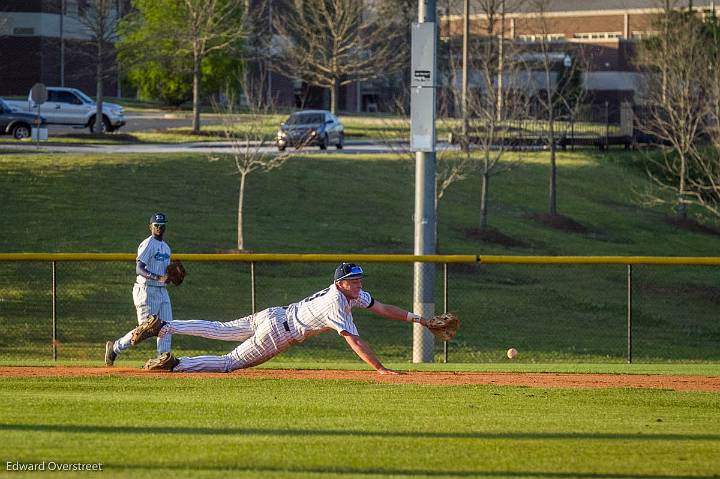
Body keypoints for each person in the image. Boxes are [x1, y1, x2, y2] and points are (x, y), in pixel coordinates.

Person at [132, 262, 431, 374]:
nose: (359, 284)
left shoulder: (350, 294)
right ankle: (176, 364)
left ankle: (164, 325)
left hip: (274, 314)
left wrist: (419, 319)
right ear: (341, 283)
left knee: (218, 328)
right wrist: (379, 368)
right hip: (278, 333)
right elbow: (354, 340)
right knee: (228, 363)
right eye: (354, 280)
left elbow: (381, 307)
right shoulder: (337, 302)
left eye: (359, 279)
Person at [104, 212, 174, 366]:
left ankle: (161, 359)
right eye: (156, 225)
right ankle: (115, 348)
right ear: (150, 227)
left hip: (162, 291)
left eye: (162, 225)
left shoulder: (166, 248)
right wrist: (157, 277)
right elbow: (139, 268)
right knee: (145, 329)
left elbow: (165, 272)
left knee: (167, 326)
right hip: (146, 290)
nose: (159, 228)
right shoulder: (148, 244)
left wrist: (170, 277)